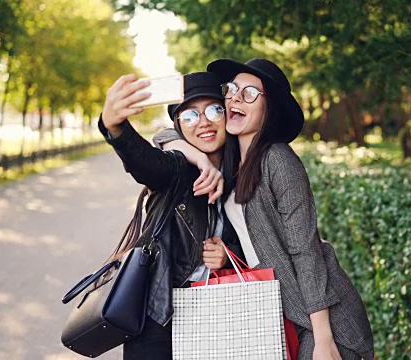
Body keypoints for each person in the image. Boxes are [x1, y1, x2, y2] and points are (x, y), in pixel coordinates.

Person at [159, 58, 374, 359]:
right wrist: (199, 158)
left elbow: (306, 249)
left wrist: (324, 338)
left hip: (320, 319)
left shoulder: (278, 160)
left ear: (268, 108)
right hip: (278, 310)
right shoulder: (232, 162)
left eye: (249, 93)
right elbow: (164, 136)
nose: (235, 97)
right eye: (232, 90)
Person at [98, 71, 246, 360]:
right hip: (160, 316)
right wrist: (115, 127)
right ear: (179, 125)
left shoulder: (242, 172)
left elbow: (256, 240)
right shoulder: (176, 170)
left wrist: (227, 254)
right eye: (189, 116)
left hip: (219, 315)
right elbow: (146, 163)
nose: (203, 122)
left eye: (214, 110)